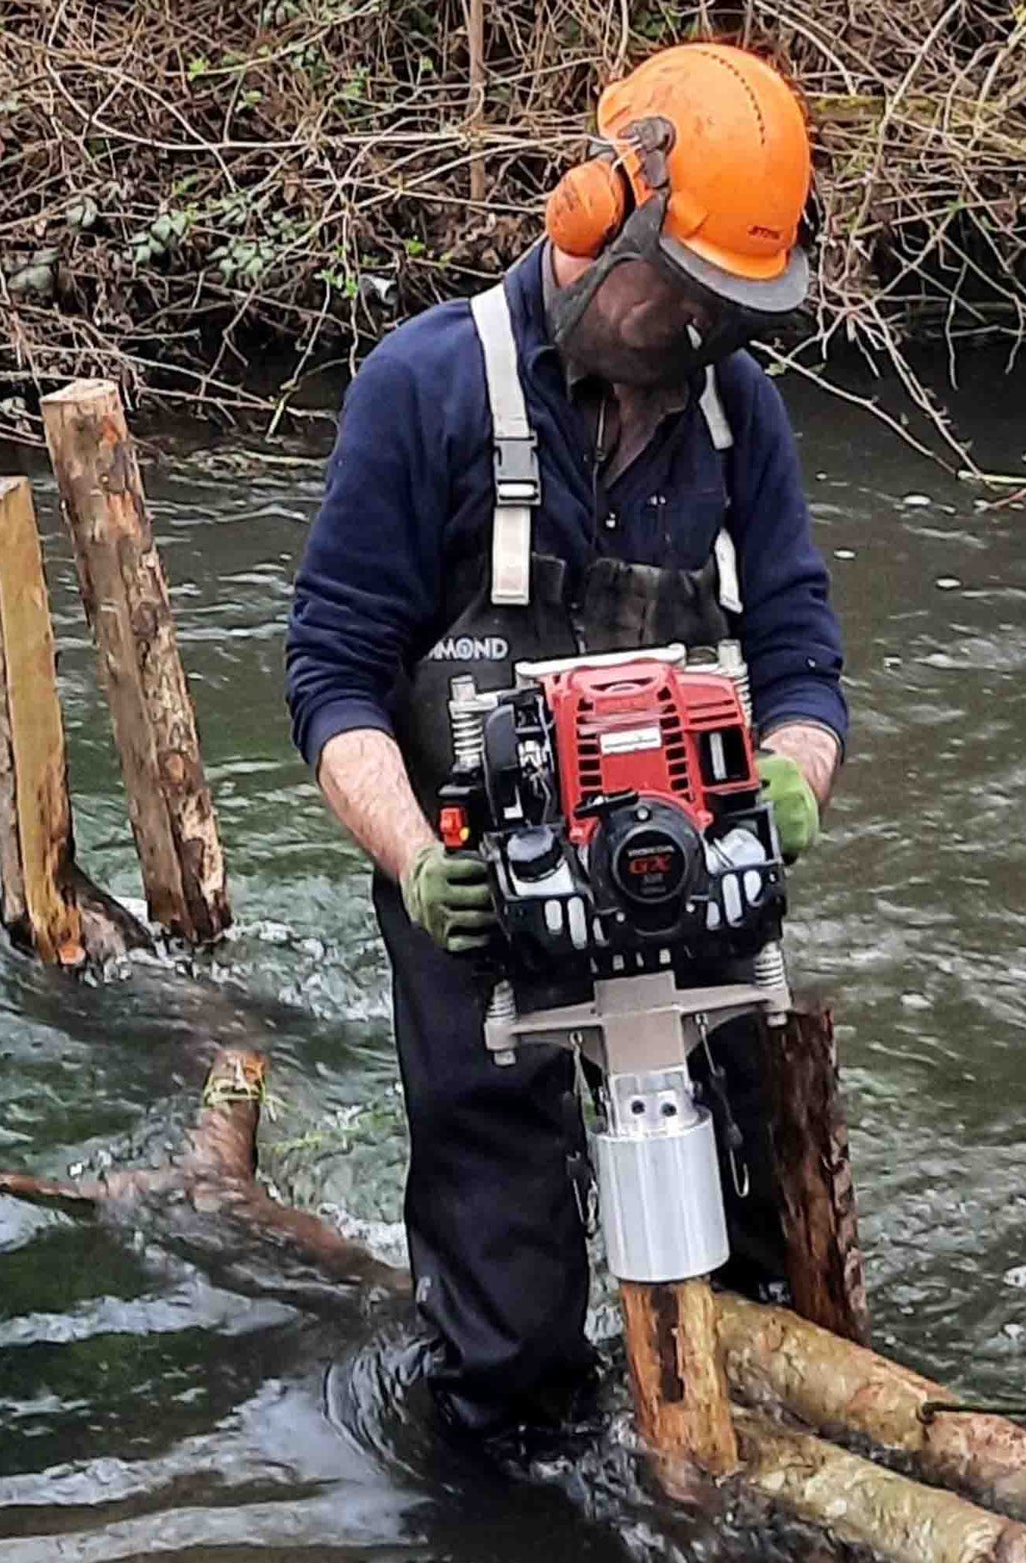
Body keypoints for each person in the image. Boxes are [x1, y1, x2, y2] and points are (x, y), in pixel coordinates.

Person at [286, 41, 848, 1446]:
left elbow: (802, 654)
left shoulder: (736, 410)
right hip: (475, 870)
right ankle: (523, 1510)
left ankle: (753, 1462)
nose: (703, 336)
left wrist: (793, 777)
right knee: (509, 1326)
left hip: (685, 856)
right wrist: (418, 862)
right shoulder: (426, 390)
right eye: (689, 297)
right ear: (594, 218)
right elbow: (332, 675)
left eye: (736, 311)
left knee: (760, 1256)